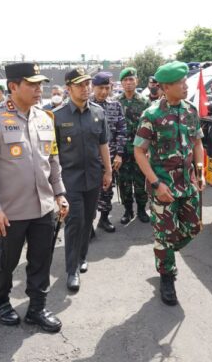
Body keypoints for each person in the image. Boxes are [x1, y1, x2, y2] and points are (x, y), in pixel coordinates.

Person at [0, 62, 68, 332]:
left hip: (43, 207)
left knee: (41, 260)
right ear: (13, 86)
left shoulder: (45, 117)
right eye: (32, 84)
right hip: (9, 210)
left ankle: (37, 307)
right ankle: (1, 301)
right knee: (5, 262)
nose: (39, 89)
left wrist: (60, 193)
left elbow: (52, 160)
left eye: (41, 84)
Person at [133, 61, 206, 306]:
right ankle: (167, 276)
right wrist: (156, 184)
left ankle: (164, 254)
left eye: (185, 81)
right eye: (180, 83)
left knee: (194, 227)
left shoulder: (191, 110)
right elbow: (139, 152)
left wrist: (200, 172)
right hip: (163, 186)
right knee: (164, 235)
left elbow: (197, 143)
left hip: (188, 184)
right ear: (166, 87)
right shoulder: (151, 115)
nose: (186, 86)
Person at [53, 68, 112, 291]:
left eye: (87, 84)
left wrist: (108, 171)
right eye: (79, 85)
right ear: (68, 88)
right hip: (70, 179)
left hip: (93, 177)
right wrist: (54, 184)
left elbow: (103, 144)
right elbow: (52, 154)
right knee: (74, 222)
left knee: (88, 220)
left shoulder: (98, 112)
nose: (85, 88)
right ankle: (72, 270)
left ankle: (82, 256)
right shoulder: (57, 116)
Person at [90, 72, 125, 235]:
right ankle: (88, 225)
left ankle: (104, 219)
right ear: (93, 87)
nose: (104, 92)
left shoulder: (115, 105)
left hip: (109, 158)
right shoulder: (85, 105)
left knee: (107, 190)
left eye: (107, 88)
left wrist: (119, 154)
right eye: (100, 88)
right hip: (90, 159)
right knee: (90, 193)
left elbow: (121, 130)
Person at [117, 67, 150, 224]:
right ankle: (128, 210)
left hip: (140, 150)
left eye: (131, 79)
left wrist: (149, 149)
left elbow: (150, 127)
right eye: (125, 80)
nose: (128, 82)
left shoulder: (145, 102)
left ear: (137, 81)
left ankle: (142, 209)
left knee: (140, 181)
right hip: (122, 151)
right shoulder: (116, 102)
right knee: (124, 182)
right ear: (121, 83)